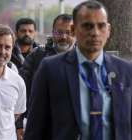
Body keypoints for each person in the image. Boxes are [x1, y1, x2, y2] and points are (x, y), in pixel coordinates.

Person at [24, 1, 132, 140]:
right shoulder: (50, 69)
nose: (95, 32)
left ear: (109, 30)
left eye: (101, 26)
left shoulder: (125, 71)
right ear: (74, 29)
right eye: (87, 26)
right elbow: (35, 128)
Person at [20, 14, 75, 110]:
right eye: (59, 32)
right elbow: (21, 86)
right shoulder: (38, 55)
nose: (64, 37)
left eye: (68, 32)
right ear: (53, 33)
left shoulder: (84, 58)